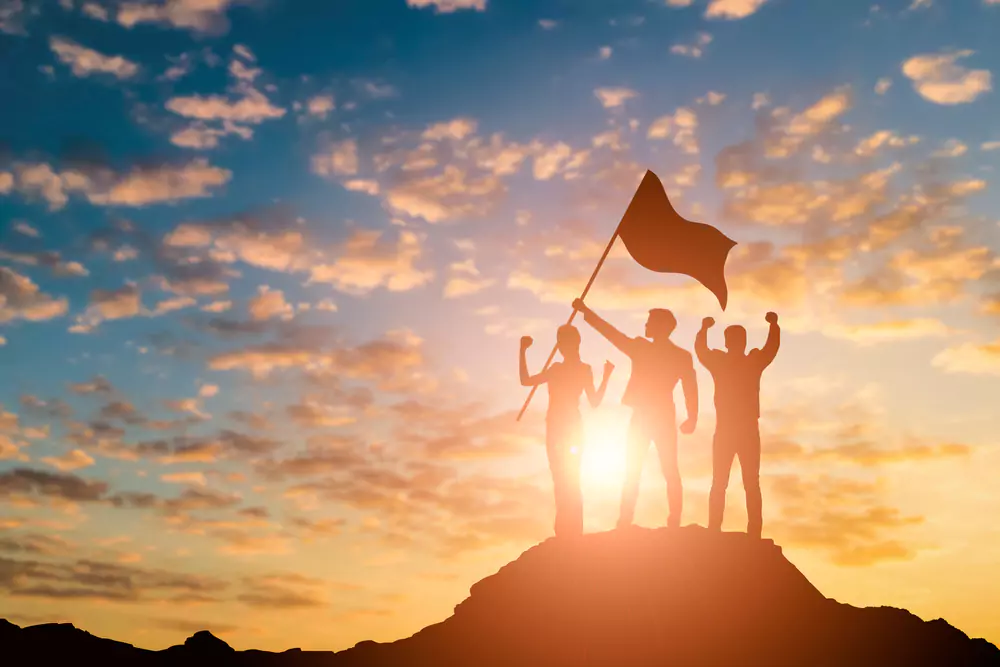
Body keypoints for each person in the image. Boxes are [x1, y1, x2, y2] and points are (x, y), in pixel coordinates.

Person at [571, 298, 698, 530]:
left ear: (662, 326)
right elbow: (612, 334)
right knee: (638, 468)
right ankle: (628, 519)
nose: (646, 326)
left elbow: (691, 388)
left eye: (650, 322)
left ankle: (668, 520)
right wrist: (586, 312)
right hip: (644, 416)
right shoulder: (659, 351)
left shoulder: (673, 354)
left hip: (655, 417)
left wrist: (693, 416)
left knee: (661, 469)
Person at [520, 325, 614, 537]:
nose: (562, 347)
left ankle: (570, 530)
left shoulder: (576, 370)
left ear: (574, 343)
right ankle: (565, 528)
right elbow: (525, 381)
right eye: (560, 342)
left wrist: (606, 377)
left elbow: (594, 401)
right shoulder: (559, 369)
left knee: (569, 477)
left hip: (568, 427)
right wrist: (522, 350)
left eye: (564, 342)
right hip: (557, 426)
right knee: (561, 477)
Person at [695, 312, 780, 540]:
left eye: (736, 339)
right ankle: (721, 529)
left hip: (743, 429)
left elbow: (770, 349)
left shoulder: (748, 362)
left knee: (744, 482)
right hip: (730, 429)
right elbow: (702, 351)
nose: (734, 343)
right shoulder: (729, 362)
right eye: (733, 339)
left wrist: (774, 326)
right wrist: (703, 330)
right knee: (731, 482)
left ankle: (747, 532)